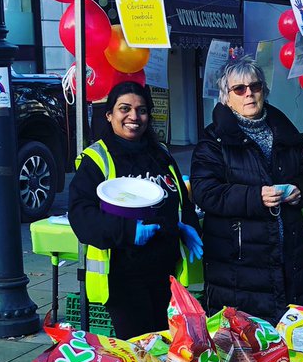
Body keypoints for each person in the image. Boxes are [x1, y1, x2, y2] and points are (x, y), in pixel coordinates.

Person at [192, 58, 303, 323]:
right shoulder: (214, 140)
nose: (249, 93)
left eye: (255, 86)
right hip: (240, 267)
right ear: (227, 98)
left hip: (292, 259)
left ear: (264, 90)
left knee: (298, 345)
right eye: (239, 89)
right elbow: (204, 191)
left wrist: (301, 189)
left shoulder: (284, 131)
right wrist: (255, 197)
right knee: (249, 351)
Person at [68, 80, 202, 339]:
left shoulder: (160, 153)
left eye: (141, 110)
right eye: (124, 109)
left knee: (166, 352)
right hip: (124, 278)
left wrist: (186, 225)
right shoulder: (97, 159)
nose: (134, 116)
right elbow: (81, 215)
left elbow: (180, 199)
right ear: (109, 115)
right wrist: (128, 231)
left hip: (164, 274)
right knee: (140, 354)